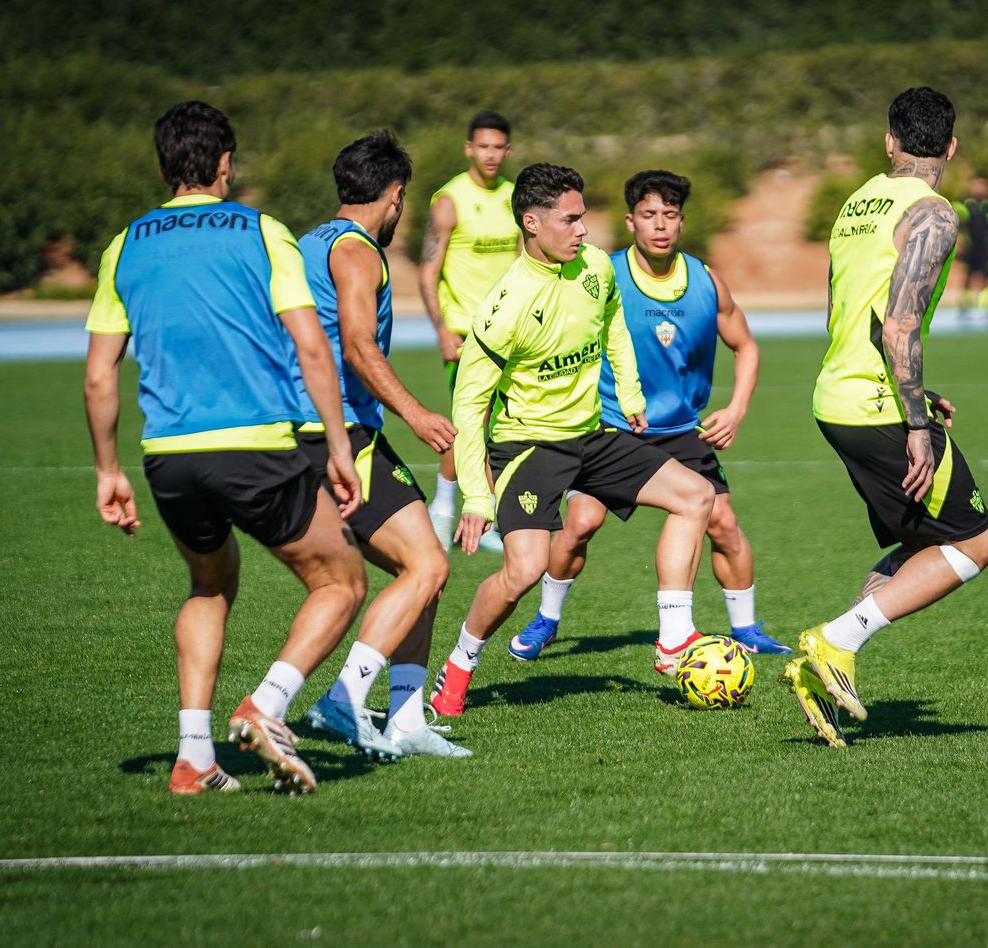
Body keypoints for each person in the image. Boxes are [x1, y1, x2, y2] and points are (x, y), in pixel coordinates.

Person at [84, 101, 367, 793]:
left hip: (169, 458)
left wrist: (108, 471)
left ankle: (193, 757)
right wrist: (335, 442)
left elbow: (98, 375)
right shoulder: (260, 232)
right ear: (224, 164)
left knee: (209, 583)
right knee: (341, 580)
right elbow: (310, 346)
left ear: (162, 166)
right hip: (256, 449)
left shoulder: (125, 244)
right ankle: (266, 706)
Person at [435, 162, 715, 717]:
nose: (583, 231)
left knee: (697, 495)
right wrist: (475, 494)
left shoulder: (592, 267)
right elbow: (468, 404)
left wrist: (630, 394)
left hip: (592, 434)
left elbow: (611, 320)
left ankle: (673, 640)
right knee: (523, 570)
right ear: (532, 224)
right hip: (528, 447)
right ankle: (460, 663)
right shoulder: (505, 306)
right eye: (570, 220)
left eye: (583, 218)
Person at [785, 87, 988, 748]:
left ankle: (825, 668)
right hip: (876, 406)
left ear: (889, 142)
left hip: (838, 394)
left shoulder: (858, 203)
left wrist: (915, 390)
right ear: (953, 147)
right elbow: (900, 322)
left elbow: (845, 306)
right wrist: (915, 425)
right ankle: (834, 642)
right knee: (974, 541)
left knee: (917, 545)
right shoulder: (934, 215)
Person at [506, 169, 788, 660]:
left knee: (723, 524)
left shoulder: (705, 281)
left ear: (681, 222)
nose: (660, 225)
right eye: (649, 215)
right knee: (580, 524)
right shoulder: (600, 273)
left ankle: (745, 630)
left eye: (670, 215)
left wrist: (736, 409)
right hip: (614, 427)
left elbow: (746, 346)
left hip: (683, 431)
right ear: (630, 221)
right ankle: (546, 618)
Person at [287, 131, 471, 760]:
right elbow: (359, 346)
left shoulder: (306, 242)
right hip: (341, 434)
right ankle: (343, 701)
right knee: (428, 565)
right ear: (393, 196)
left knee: (422, 574)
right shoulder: (360, 251)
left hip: (308, 429)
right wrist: (418, 413)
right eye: (403, 200)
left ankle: (405, 718)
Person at [418, 110, 520, 554]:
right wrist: (441, 329)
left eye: (499, 147)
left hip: (508, 332)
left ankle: (486, 514)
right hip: (463, 331)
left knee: (502, 425)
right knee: (471, 421)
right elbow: (427, 272)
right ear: (469, 149)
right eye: (484, 146)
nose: (491, 155)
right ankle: (442, 508)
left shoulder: (516, 198)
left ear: (508, 150)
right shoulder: (449, 200)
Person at [954, 176, 988, 326]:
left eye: (983, 185)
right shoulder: (964, 203)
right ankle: (964, 310)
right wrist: (959, 238)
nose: (980, 188)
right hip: (970, 248)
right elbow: (956, 221)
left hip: (985, 248)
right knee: (967, 279)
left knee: (987, 279)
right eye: (977, 184)